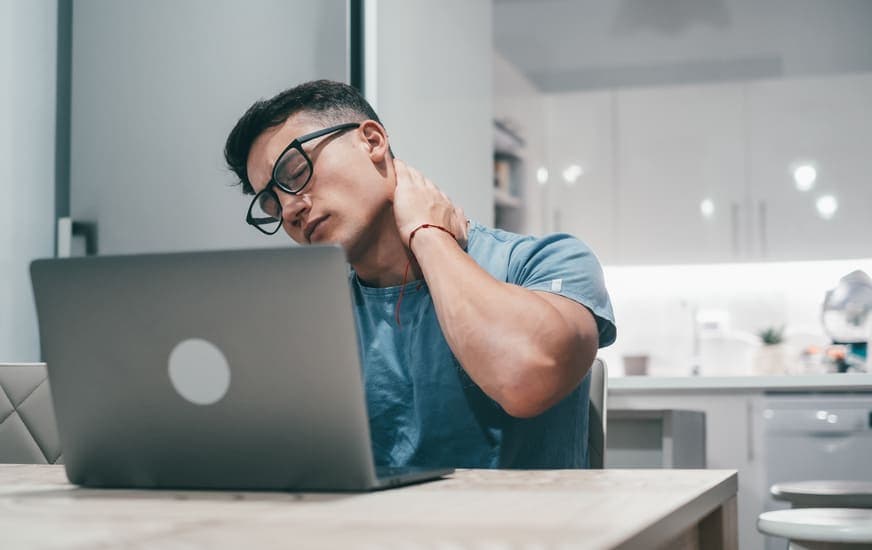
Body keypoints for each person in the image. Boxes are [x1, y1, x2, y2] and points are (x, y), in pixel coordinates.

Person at [224, 79, 616, 469]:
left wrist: (427, 235)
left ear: (373, 141)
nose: (290, 210)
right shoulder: (318, 322)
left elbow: (527, 379)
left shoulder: (544, 261)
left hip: (525, 530)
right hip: (374, 530)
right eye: (272, 205)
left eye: (295, 173)